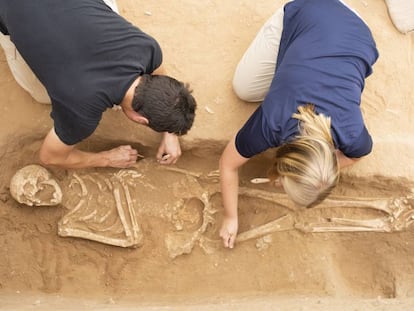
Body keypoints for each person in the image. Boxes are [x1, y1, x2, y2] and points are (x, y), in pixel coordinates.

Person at [219, 0, 379, 248]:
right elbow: (228, 164)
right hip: (308, 11)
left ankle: (299, 62)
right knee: (245, 88)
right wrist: (230, 217)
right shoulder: (273, 122)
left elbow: (357, 155)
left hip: (357, 30)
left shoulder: (351, 131)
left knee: (282, 77)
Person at [0, 0, 196, 169]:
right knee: (42, 97)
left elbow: (160, 76)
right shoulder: (81, 112)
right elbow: (50, 157)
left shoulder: (147, 48)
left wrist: (171, 133)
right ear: (140, 119)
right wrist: (106, 159)